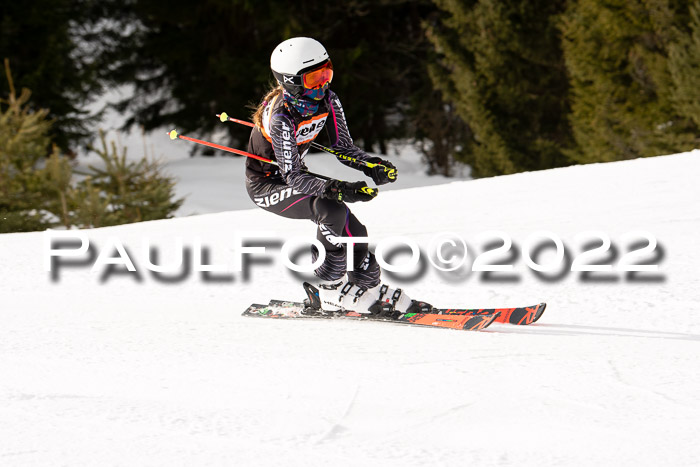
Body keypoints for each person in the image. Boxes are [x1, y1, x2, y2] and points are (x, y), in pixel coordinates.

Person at [246, 37, 425, 315]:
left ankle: (366, 287)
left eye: (326, 72)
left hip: (295, 177)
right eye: (314, 78)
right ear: (292, 81)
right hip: (268, 185)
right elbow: (292, 176)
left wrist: (371, 166)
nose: (323, 83)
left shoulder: (329, 99)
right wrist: (338, 188)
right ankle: (329, 288)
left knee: (356, 232)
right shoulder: (281, 117)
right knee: (331, 209)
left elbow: (342, 147)